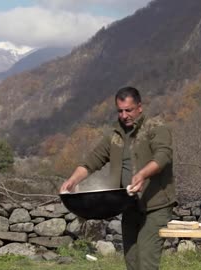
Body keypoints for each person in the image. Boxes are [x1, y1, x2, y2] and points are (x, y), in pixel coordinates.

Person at [60, 86, 176, 270]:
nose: (124, 115)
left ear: (139, 107)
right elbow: (92, 160)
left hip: (155, 206)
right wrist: (73, 180)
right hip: (128, 205)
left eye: (128, 110)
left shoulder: (156, 128)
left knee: (146, 261)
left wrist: (142, 174)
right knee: (131, 261)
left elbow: (163, 155)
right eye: (120, 111)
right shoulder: (115, 136)